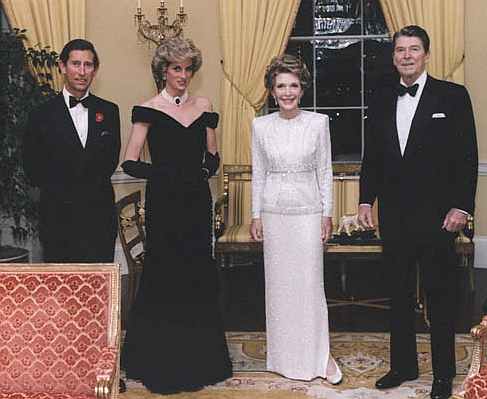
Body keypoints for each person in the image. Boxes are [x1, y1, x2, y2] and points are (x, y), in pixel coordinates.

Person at [358, 25, 478, 399]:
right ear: (393, 57)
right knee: (397, 293)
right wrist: (365, 200)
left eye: (413, 49)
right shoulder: (380, 97)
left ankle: (443, 374)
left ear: (426, 54)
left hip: (439, 216)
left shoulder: (453, 96)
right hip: (393, 215)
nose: (406, 56)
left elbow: (467, 156)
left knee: (439, 295)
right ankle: (403, 365)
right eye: (400, 50)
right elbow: (372, 157)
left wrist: (462, 206)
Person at [120, 36, 232, 393]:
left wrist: (202, 172)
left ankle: (201, 358)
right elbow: (130, 161)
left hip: (196, 202)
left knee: (196, 273)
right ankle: (160, 358)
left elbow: (213, 158)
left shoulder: (204, 106)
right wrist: (166, 174)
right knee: (165, 274)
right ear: (163, 70)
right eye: (176, 68)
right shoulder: (148, 108)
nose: (182, 75)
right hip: (165, 205)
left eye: (188, 69)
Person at [250, 54, 342, 384]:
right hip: (274, 215)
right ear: (272, 92)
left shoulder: (318, 123)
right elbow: (259, 173)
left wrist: (327, 213)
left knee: (309, 287)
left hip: (308, 214)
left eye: (293, 85)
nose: (287, 92)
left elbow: (325, 171)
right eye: (280, 86)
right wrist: (255, 215)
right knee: (279, 288)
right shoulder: (260, 125)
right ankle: (284, 357)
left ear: (302, 89)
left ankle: (320, 355)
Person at [23, 39, 120, 263]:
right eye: (76, 64)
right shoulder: (41, 114)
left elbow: (109, 162)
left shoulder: (109, 111)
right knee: (61, 293)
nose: (82, 71)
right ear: (62, 66)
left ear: (95, 70)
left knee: (98, 291)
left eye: (88, 65)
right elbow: (32, 168)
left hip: (100, 220)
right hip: (58, 220)